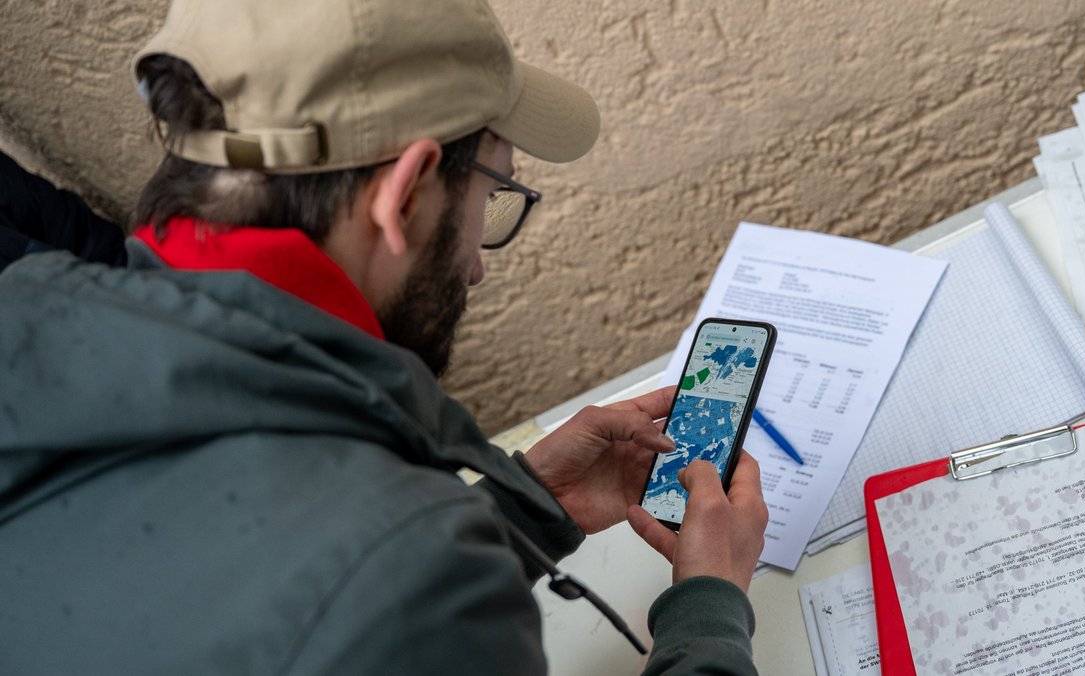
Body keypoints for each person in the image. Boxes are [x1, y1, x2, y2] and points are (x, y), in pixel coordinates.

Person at [0, 0, 769, 673]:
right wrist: (709, 609)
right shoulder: (408, 580)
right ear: (402, 197)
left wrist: (525, 509)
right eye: (492, 192)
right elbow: (359, 608)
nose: (475, 267)